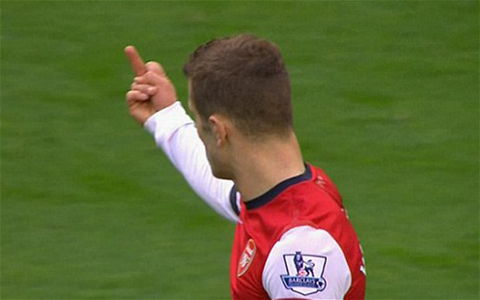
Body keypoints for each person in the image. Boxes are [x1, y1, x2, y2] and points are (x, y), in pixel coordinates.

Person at [124, 34, 366, 300]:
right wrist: (166, 116)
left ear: (218, 131)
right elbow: (220, 189)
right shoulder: (286, 192)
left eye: (198, 120)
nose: (198, 130)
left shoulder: (300, 248)